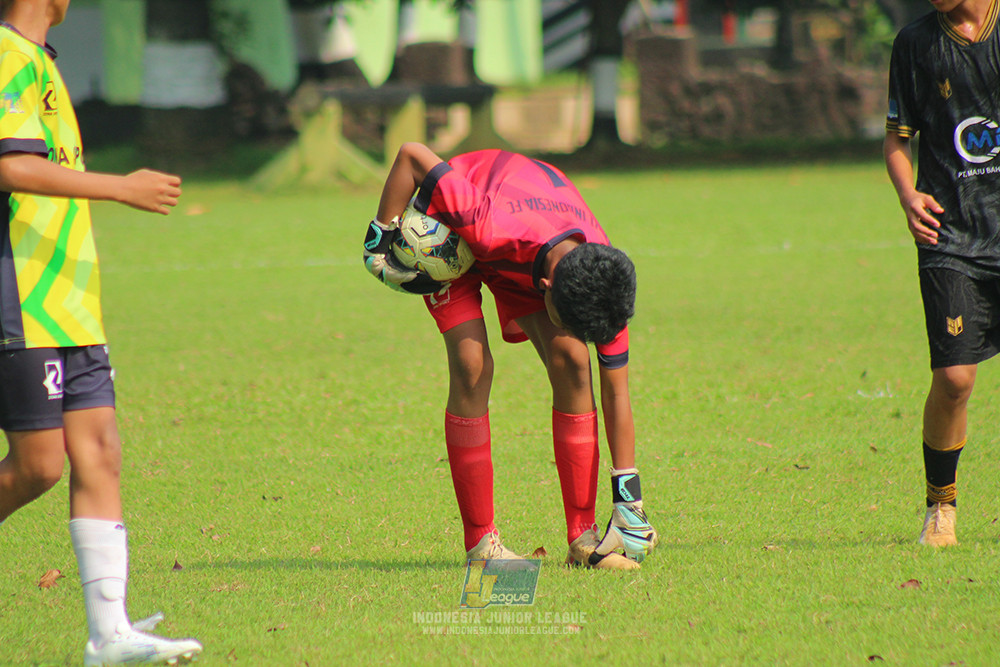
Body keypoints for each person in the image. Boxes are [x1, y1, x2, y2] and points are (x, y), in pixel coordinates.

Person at [0, 0, 202, 663]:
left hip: (70, 298)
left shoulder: (42, 62)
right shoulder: (6, 54)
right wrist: (119, 186)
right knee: (38, 465)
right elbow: (10, 165)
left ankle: (109, 634)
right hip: (22, 292)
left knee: (101, 450)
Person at [363, 143, 658, 569]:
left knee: (574, 363)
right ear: (546, 287)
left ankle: (583, 538)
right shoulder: (484, 222)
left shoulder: (603, 281)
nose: (579, 335)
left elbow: (617, 391)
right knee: (472, 366)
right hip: (455, 236)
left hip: (529, 247)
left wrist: (629, 499)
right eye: (571, 324)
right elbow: (411, 156)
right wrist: (379, 239)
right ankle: (481, 546)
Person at [884, 0, 1000, 546]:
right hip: (950, 237)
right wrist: (908, 196)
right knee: (954, 379)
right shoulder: (915, 44)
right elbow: (897, 141)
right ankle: (941, 505)